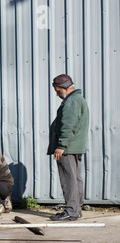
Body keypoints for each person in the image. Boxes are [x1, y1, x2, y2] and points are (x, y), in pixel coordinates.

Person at [48, 74, 89, 221]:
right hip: (74, 147)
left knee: (68, 179)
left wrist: (61, 146)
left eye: (58, 91)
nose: (57, 94)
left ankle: (71, 211)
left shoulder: (72, 101)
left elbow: (68, 125)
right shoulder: (78, 100)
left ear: (65, 87)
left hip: (67, 148)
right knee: (75, 178)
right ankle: (76, 209)